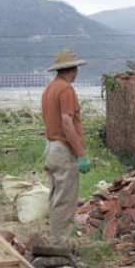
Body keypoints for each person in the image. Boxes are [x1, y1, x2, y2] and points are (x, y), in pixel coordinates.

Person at [42, 50, 91, 251]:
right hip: (63, 149)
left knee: (56, 198)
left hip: (51, 147)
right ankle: (58, 246)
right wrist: (81, 154)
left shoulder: (50, 88)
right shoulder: (66, 89)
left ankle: (58, 242)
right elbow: (67, 122)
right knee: (65, 201)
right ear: (74, 69)